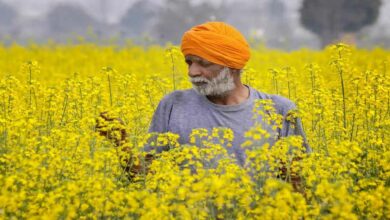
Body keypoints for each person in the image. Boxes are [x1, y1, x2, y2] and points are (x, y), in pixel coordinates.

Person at [97, 21, 311, 190]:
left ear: (233, 65)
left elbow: (297, 186)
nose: (192, 72)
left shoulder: (279, 110)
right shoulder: (172, 105)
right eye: (189, 62)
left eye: (204, 63)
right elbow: (143, 179)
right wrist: (120, 142)